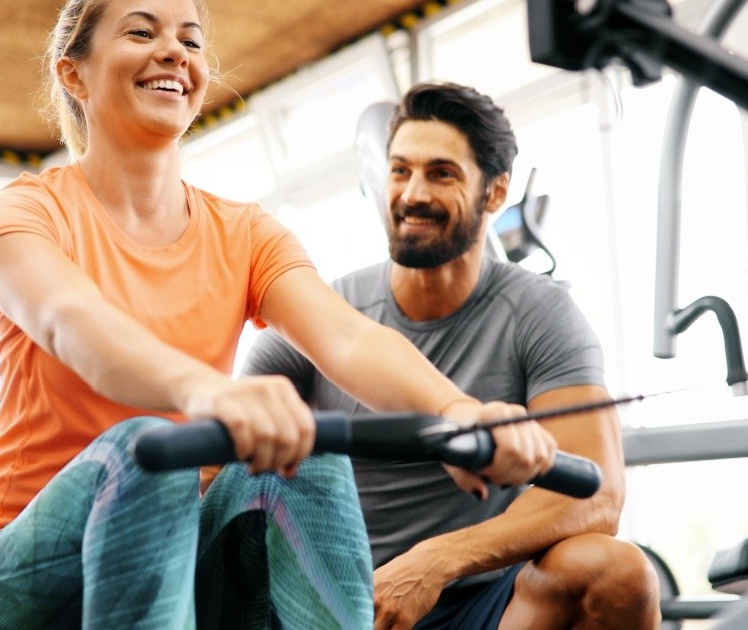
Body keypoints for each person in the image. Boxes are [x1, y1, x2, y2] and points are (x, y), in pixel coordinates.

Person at [0, 3, 563, 628]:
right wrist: (208, 394)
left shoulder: (245, 232)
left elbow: (345, 336)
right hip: (10, 588)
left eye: (191, 39)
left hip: (179, 567)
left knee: (304, 449)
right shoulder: (26, 212)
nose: (175, 51)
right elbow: (71, 320)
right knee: (147, 450)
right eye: (141, 31)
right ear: (75, 75)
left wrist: (460, 413)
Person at [242, 81, 661, 629]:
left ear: (494, 192)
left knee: (618, 572)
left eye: (441, 173)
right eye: (400, 170)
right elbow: (219, 475)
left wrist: (436, 561)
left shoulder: (540, 313)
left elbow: (600, 494)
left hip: (484, 601)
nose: (413, 193)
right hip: (346, 604)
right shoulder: (323, 317)